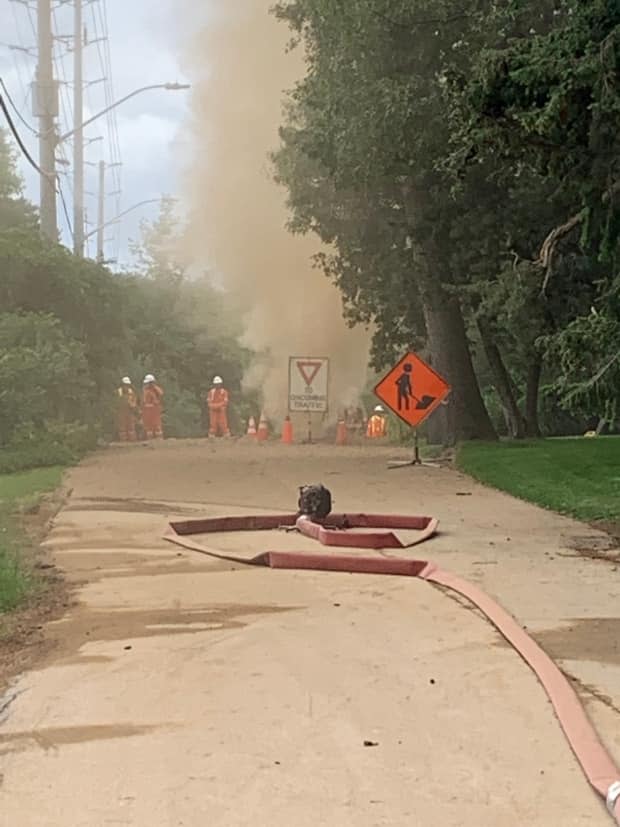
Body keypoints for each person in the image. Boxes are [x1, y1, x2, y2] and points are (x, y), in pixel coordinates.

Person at [116, 376, 139, 442]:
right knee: (122, 426)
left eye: (128, 385)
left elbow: (134, 400)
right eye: (125, 385)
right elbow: (115, 402)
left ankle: (132, 440)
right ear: (122, 384)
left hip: (130, 411)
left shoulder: (131, 391)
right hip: (121, 411)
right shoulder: (118, 391)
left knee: (131, 425)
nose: (126, 386)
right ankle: (123, 441)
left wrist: (133, 405)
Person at [142, 374, 164, 439]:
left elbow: (161, 394)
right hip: (147, 410)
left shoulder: (156, 389)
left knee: (157, 425)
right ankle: (150, 440)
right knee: (149, 427)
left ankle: (159, 439)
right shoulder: (145, 390)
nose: (147, 385)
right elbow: (144, 400)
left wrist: (154, 387)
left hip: (155, 410)